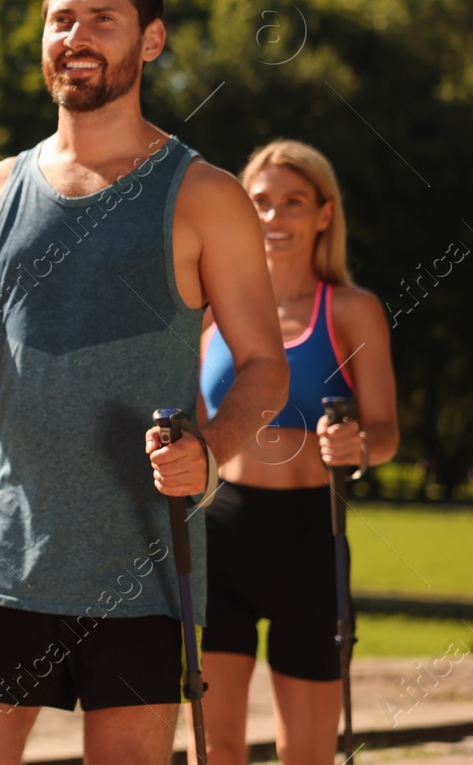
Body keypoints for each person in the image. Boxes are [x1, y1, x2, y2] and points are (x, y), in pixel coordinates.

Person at [0, 0, 290, 765]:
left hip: (144, 565)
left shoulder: (205, 195)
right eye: (61, 18)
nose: (76, 34)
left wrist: (214, 450)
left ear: (150, 40)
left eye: (102, 18)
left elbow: (266, 366)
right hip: (2, 556)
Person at [198, 140, 398, 765]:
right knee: (219, 747)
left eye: (293, 202)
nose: (274, 218)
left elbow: (387, 432)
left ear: (324, 214)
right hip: (219, 536)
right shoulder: (206, 312)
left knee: (306, 754)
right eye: (259, 203)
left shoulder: (353, 310)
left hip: (313, 537)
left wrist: (359, 444)